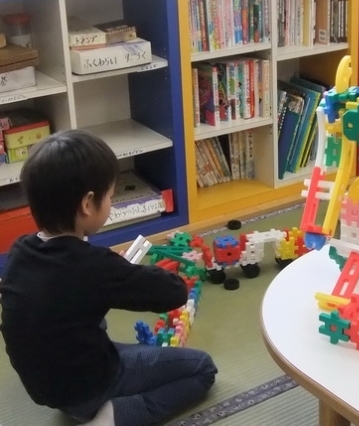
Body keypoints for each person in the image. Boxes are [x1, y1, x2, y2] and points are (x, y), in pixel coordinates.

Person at [0, 130, 217, 426]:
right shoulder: (94, 266)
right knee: (203, 368)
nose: (111, 204)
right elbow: (173, 294)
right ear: (88, 204)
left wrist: (117, 272)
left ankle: (87, 403)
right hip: (88, 388)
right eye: (111, 197)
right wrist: (152, 273)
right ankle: (110, 418)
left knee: (79, 317)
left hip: (42, 385)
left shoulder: (20, 251)